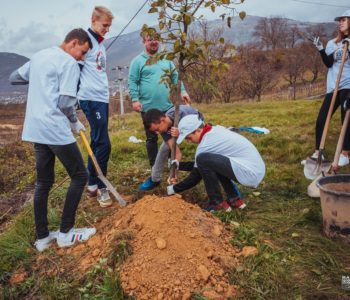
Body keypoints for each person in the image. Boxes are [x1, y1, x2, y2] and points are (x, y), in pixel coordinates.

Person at [9, 28, 96, 251]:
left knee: (43, 182)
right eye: (83, 52)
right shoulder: (68, 63)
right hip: (54, 128)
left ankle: (43, 238)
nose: (82, 58)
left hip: (35, 128)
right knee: (79, 175)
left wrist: (39, 81)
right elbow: (66, 103)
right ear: (74, 42)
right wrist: (74, 122)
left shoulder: (39, 56)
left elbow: (15, 78)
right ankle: (66, 233)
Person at [174, 114, 266, 212]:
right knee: (210, 162)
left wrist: (173, 189)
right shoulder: (215, 130)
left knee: (203, 159)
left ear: (198, 130)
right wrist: (178, 165)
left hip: (249, 173)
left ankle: (217, 204)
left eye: (188, 138)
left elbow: (195, 176)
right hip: (256, 168)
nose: (188, 141)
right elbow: (202, 165)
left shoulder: (205, 145)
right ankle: (235, 200)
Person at [128, 27, 190, 171]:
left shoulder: (166, 59)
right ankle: (154, 166)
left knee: (170, 136)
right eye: (150, 40)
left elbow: (175, 77)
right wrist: (135, 99)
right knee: (152, 138)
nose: (153, 42)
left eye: (156, 39)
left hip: (166, 106)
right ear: (144, 41)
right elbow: (132, 81)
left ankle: (171, 161)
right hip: (148, 107)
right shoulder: (137, 61)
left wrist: (183, 91)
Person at [78, 6, 114, 207]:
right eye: (105, 25)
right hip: (91, 98)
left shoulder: (99, 44)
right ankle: (102, 187)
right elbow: (75, 68)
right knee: (104, 144)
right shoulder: (85, 41)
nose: (107, 29)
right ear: (93, 20)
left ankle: (91, 183)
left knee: (97, 140)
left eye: (109, 26)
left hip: (102, 98)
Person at [306, 10, 350, 166]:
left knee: (346, 120)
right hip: (333, 87)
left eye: (344, 19)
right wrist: (320, 49)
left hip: (348, 87)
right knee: (321, 120)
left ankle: (344, 153)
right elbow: (329, 63)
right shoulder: (333, 43)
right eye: (340, 20)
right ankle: (319, 152)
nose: (340, 22)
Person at [139, 105, 202, 190]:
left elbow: (197, 132)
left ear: (162, 120)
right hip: (175, 131)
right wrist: (173, 173)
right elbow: (176, 152)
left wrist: (181, 132)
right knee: (163, 149)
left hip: (197, 127)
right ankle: (155, 179)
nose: (157, 133)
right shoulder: (164, 129)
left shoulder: (183, 114)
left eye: (157, 129)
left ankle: (206, 166)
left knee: (202, 148)